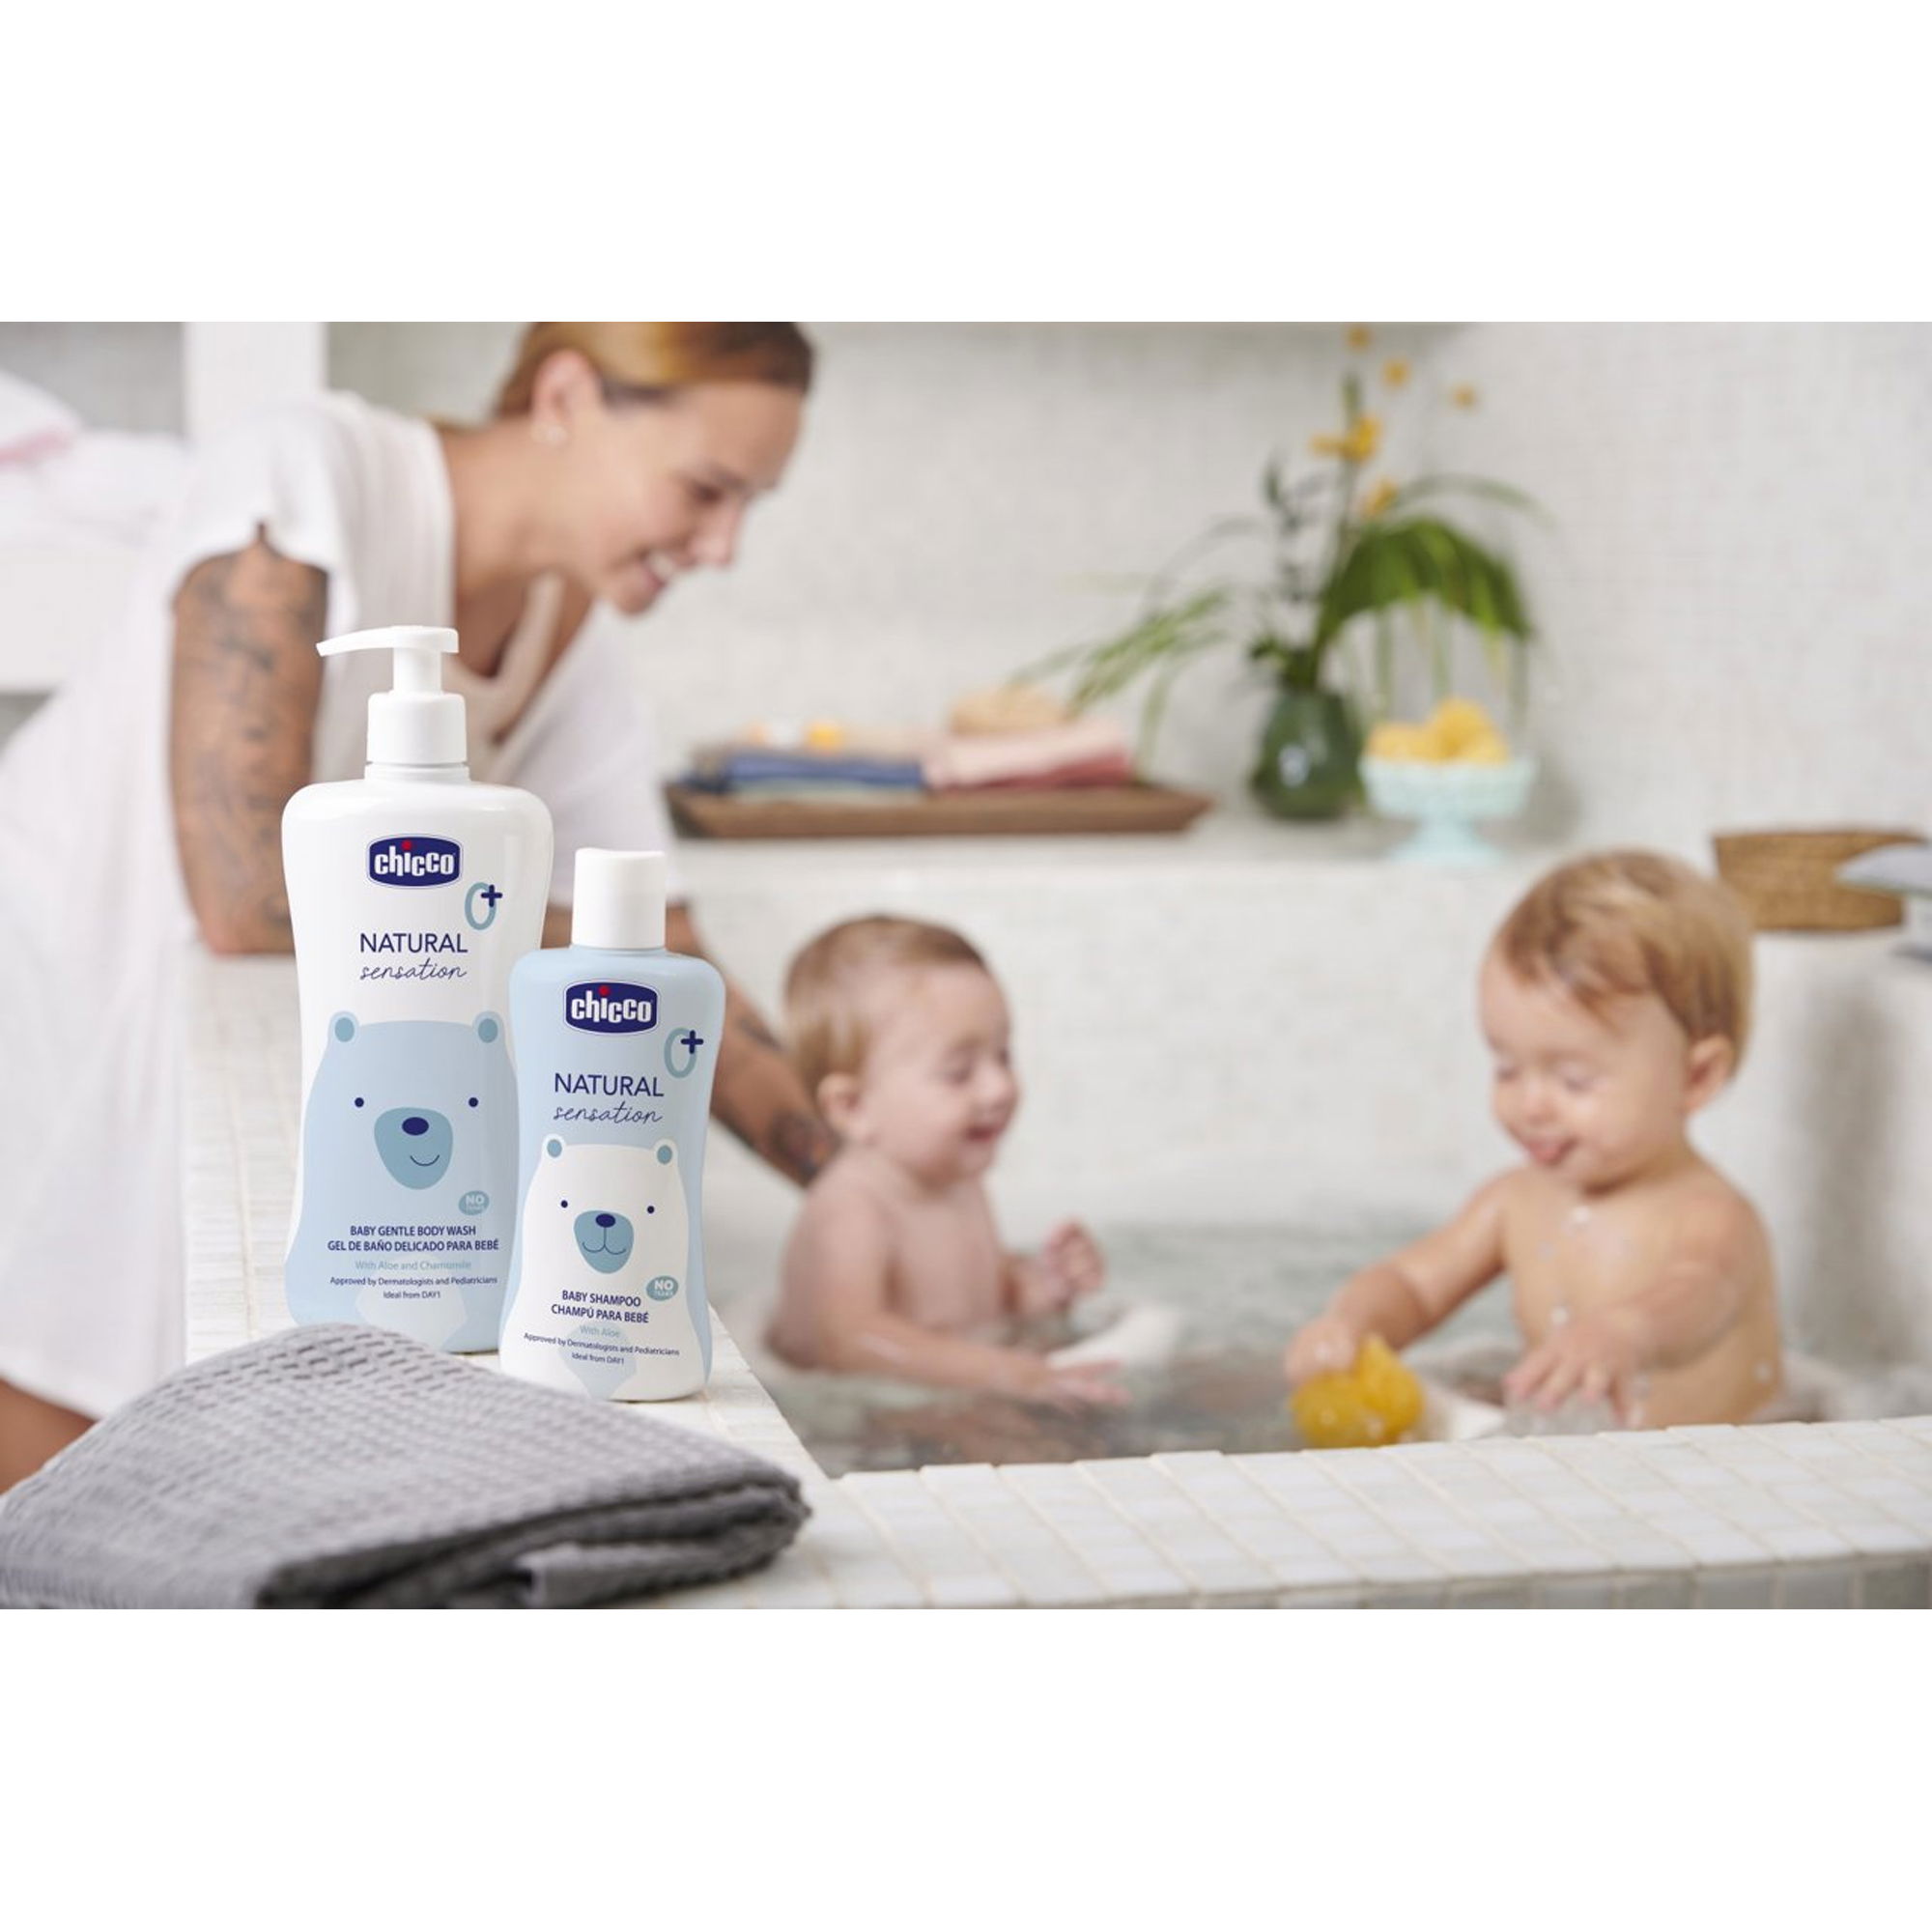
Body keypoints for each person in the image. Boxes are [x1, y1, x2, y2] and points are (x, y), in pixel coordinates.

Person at [0, 323, 837, 1489]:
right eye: (706, 488)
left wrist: (864, 1181)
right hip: (58, 985)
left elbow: (655, 949)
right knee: (60, 1460)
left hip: (231, 1032)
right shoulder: (305, 472)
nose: (724, 545)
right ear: (565, 395)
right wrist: (522, 933)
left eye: (750, 504)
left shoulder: (566, 625)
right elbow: (246, 894)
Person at [1285, 849, 1782, 1430]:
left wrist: (1625, 1332)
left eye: (1574, 1080)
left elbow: (1699, 1294)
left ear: (1696, 1077)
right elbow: (1413, 1285)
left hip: (1707, 1462)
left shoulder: (1711, 1215)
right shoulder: (1515, 1201)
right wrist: (1351, 1324)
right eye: (1507, 1069)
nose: (1531, 1105)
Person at [766, 915, 1126, 1407]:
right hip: (870, 1417)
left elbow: (982, 1301)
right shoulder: (853, 1207)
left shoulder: (958, 1181)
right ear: (853, 1107)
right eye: (959, 1072)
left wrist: (1043, 1289)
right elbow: (848, 1342)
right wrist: (1005, 1373)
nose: (1000, 1087)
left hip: (948, 1399)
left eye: (1004, 1056)